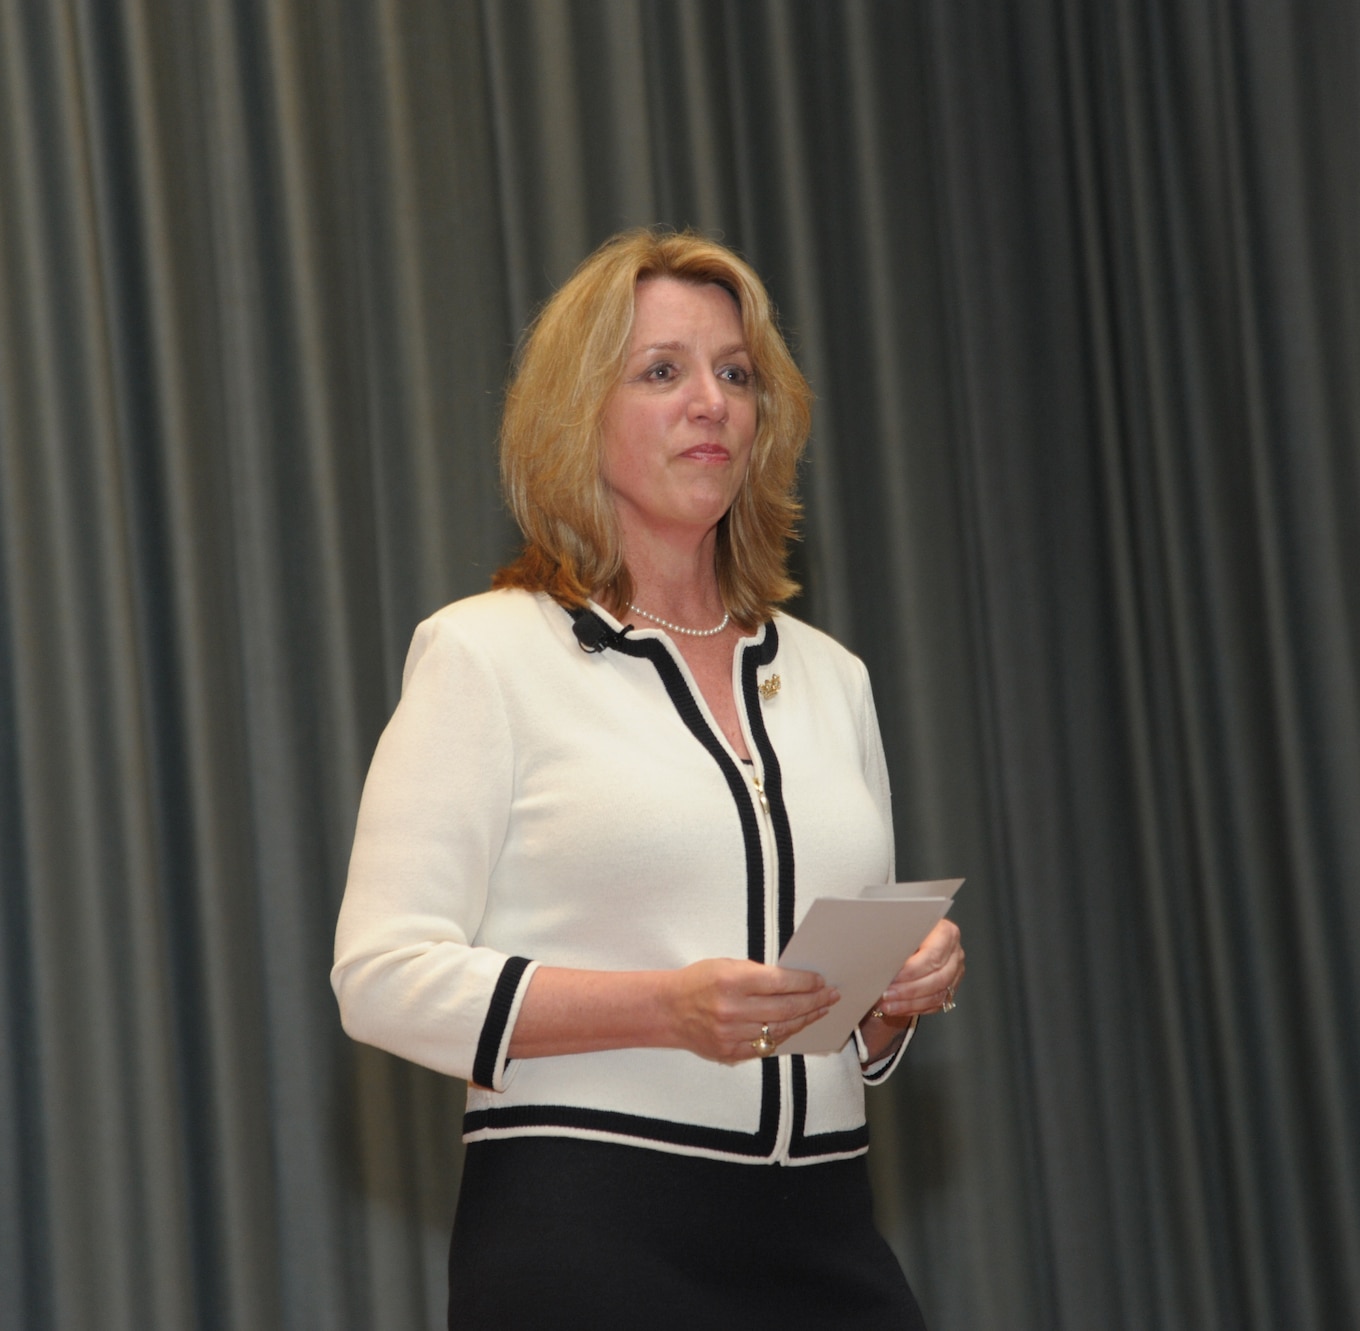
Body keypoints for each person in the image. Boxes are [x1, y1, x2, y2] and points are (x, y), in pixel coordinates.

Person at [332, 228, 966, 1329]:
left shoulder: (831, 678)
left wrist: (885, 998)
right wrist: (662, 1006)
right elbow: (380, 975)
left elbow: (817, 1019)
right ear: (580, 415)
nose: (710, 402)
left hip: (822, 1226)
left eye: (734, 373)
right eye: (661, 371)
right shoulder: (487, 654)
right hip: (587, 1231)